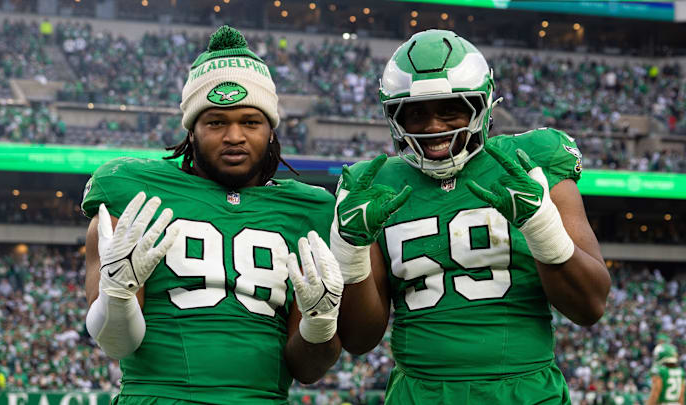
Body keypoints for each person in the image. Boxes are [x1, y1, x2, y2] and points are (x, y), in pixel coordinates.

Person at [330, 29, 611, 404]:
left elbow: (590, 306)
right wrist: (351, 251)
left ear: (483, 106)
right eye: (415, 113)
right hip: (420, 393)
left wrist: (540, 226)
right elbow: (360, 339)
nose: (433, 127)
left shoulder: (530, 164)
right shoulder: (375, 184)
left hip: (524, 392)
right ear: (393, 117)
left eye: (451, 109)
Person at [82, 26, 343, 405]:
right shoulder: (135, 191)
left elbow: (308, 370)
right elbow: (116, 344)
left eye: (250, 122)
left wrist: (319, 325)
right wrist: (118, 294)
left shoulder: (311, 210)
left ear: (271, 130)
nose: (234, 136)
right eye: (216, 122)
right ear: (191, 131)